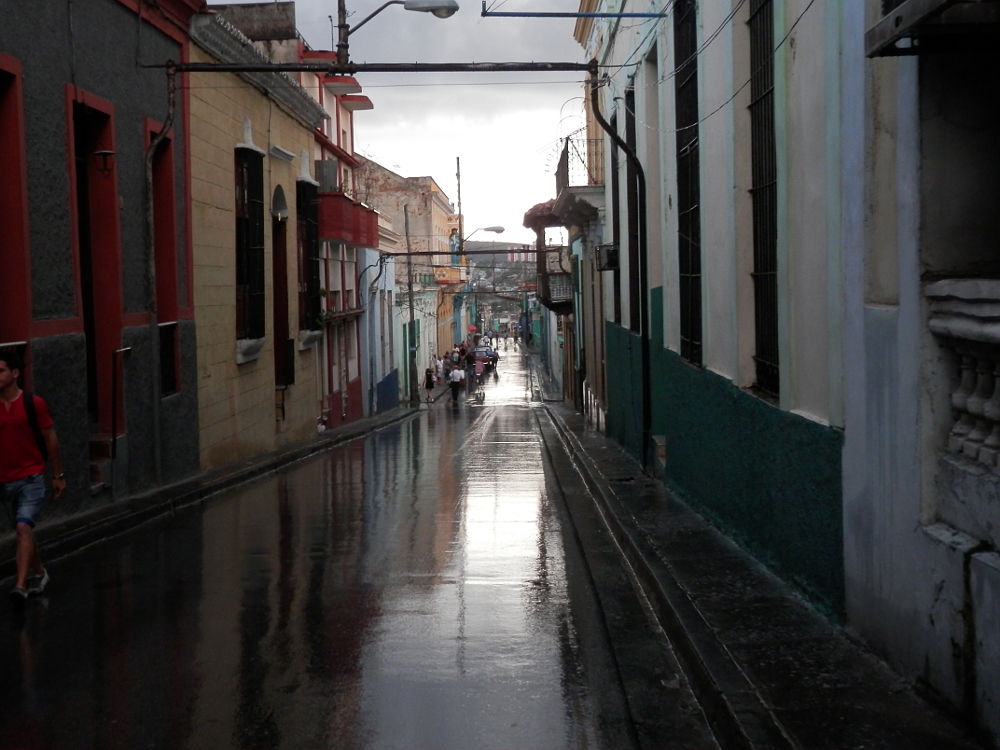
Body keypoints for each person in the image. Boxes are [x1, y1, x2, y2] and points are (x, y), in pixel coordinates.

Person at [0, 350, 64, 602]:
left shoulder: (32, 403)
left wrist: (58, 474)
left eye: (1, 370)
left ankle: (19, 586)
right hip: (4, 479)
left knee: (22, 527)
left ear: (15, 374)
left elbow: (50, 438)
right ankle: (39, 571)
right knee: (22, 529)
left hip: (31, 476)